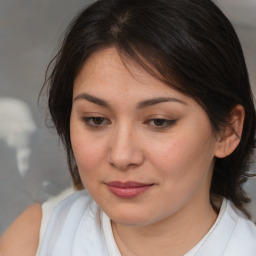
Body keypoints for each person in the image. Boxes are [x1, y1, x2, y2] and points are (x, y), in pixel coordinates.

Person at [1, 0, 256, 255]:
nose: (121, 156)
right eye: (96, 120)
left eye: (159, 121)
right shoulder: (35, 238)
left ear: (227, 130)